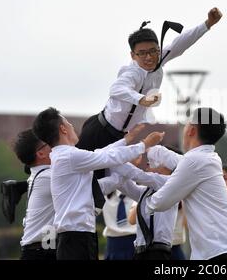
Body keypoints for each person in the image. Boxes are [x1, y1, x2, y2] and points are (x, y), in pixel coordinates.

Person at [76, 8, 223, 154]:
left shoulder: (159, 58)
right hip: (100, 131)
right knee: (83, 175)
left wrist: (208, 24)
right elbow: (116, 89)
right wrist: (141, 99)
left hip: (120, 137)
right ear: (133, 55)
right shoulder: (132, 72)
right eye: (142, 53)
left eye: (153, 51)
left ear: (158, 49)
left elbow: (180, 43)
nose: (149, 57)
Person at [32, 107, 164, 260]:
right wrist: (143, 145)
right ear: (63, 129)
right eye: (68, 123)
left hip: (77, 236)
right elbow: (105, 157)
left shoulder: (66, 156)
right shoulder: (69, 156)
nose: (71, 126)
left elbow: (101, 154)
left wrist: (127, 139)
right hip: (75, 237)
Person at [142, 107, 227, 260]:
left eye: (186, 124)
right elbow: (178, 162)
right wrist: (149, 149)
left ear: (191, 130)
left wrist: (140, 195)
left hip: (220, 253)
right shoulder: (208, 158)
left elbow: (160, 202)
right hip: (225, 250)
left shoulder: (194, 161)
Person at [110, 162, 178, 260]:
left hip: (158, 252)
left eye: (155, 161)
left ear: (167, 167)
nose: (147, 163)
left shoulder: (168, 183)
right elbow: (122, 184)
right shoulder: (146, 190)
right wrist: (111, 162)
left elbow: (137, 174)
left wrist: (116, 159)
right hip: (141, 251)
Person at [13, 129, 55, 260]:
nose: (54, 145)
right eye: (49, 143)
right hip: (40, 252)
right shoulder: (48, 177)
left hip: (41, 249)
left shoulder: (41, 174)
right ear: (41, 153)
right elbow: (94, 186)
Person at [101, 156, 142, 260]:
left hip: (135, 242)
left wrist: (132, 166)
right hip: (113, 245)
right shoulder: (105, 193)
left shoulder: (141, 193)